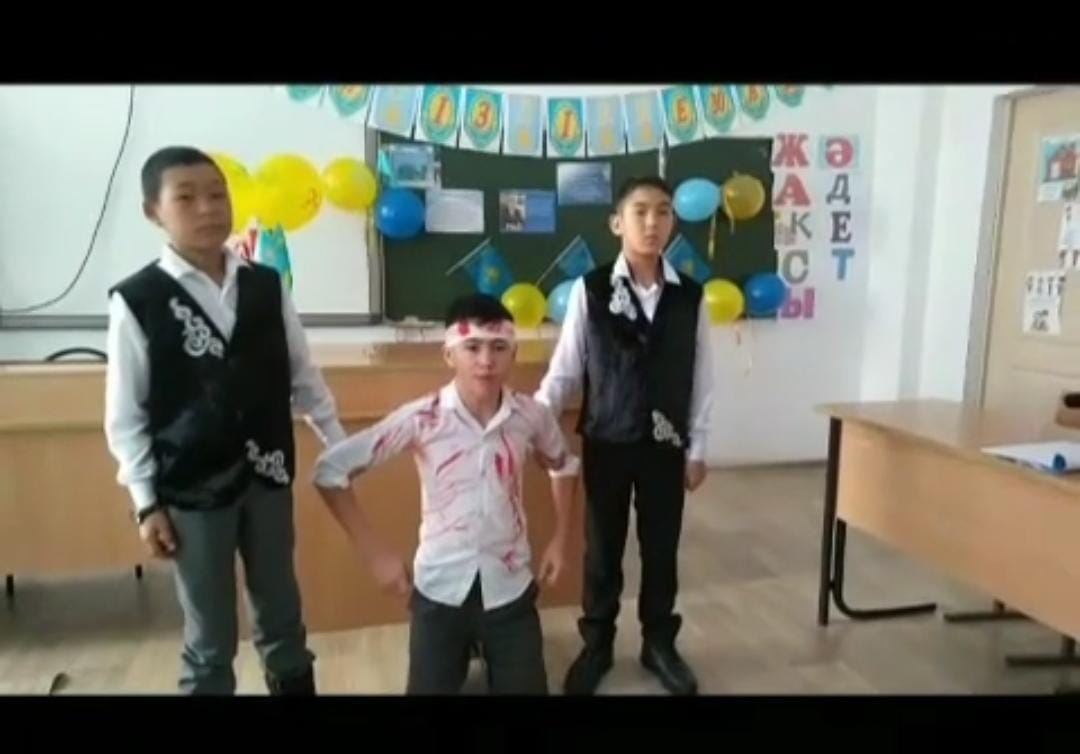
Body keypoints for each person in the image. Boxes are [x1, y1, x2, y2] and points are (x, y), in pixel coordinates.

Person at [104, 146, 345, 695]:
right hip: (192, 490)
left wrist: (338, 443)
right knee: (210, 634)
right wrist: (146, 503)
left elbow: (303, 376)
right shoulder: (138, 300)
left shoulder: (266, 285)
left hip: (268, 477)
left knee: (282, 615)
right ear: (153, 211)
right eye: (186, 198)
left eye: (217, 194)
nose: (208, 208)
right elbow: (126, 415)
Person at [313, 294, 579, 694]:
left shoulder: (530, 416)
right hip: (440, 590)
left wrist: (560, 539)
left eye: (498, 347)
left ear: (513, 354)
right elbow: (330, 471)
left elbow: (564, 464)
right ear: (449, 354)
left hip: (510, 588)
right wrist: (374, 554)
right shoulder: (423, 418)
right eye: (472, 347)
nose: (486, 361)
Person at [535, 176, 715, 696]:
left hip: (666, 444)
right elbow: (565, 371)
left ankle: (659, 643)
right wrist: (535, 423)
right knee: (602, 549)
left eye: (663, 212)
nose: (652, 222)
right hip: (608, 439)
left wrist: (699, 446)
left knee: (661, 548)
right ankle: (597, 644)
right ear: (617, 222)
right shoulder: (591, 290)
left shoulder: (690, 296)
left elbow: (703, 377)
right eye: (640, 211)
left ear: (673, 222)